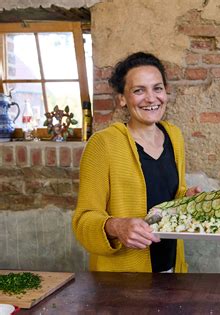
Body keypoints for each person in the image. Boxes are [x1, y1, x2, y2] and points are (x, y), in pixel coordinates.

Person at [73, 52, 199, 273]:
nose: (151, 98)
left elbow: (166, 201)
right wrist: (116, 226)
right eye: (139, 90)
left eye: (157, 88)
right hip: (123, 278)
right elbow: (83, 221)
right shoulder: (103, 144)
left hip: (171, 268)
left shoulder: (174, 136)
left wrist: (186, 199)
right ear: (122, 98)